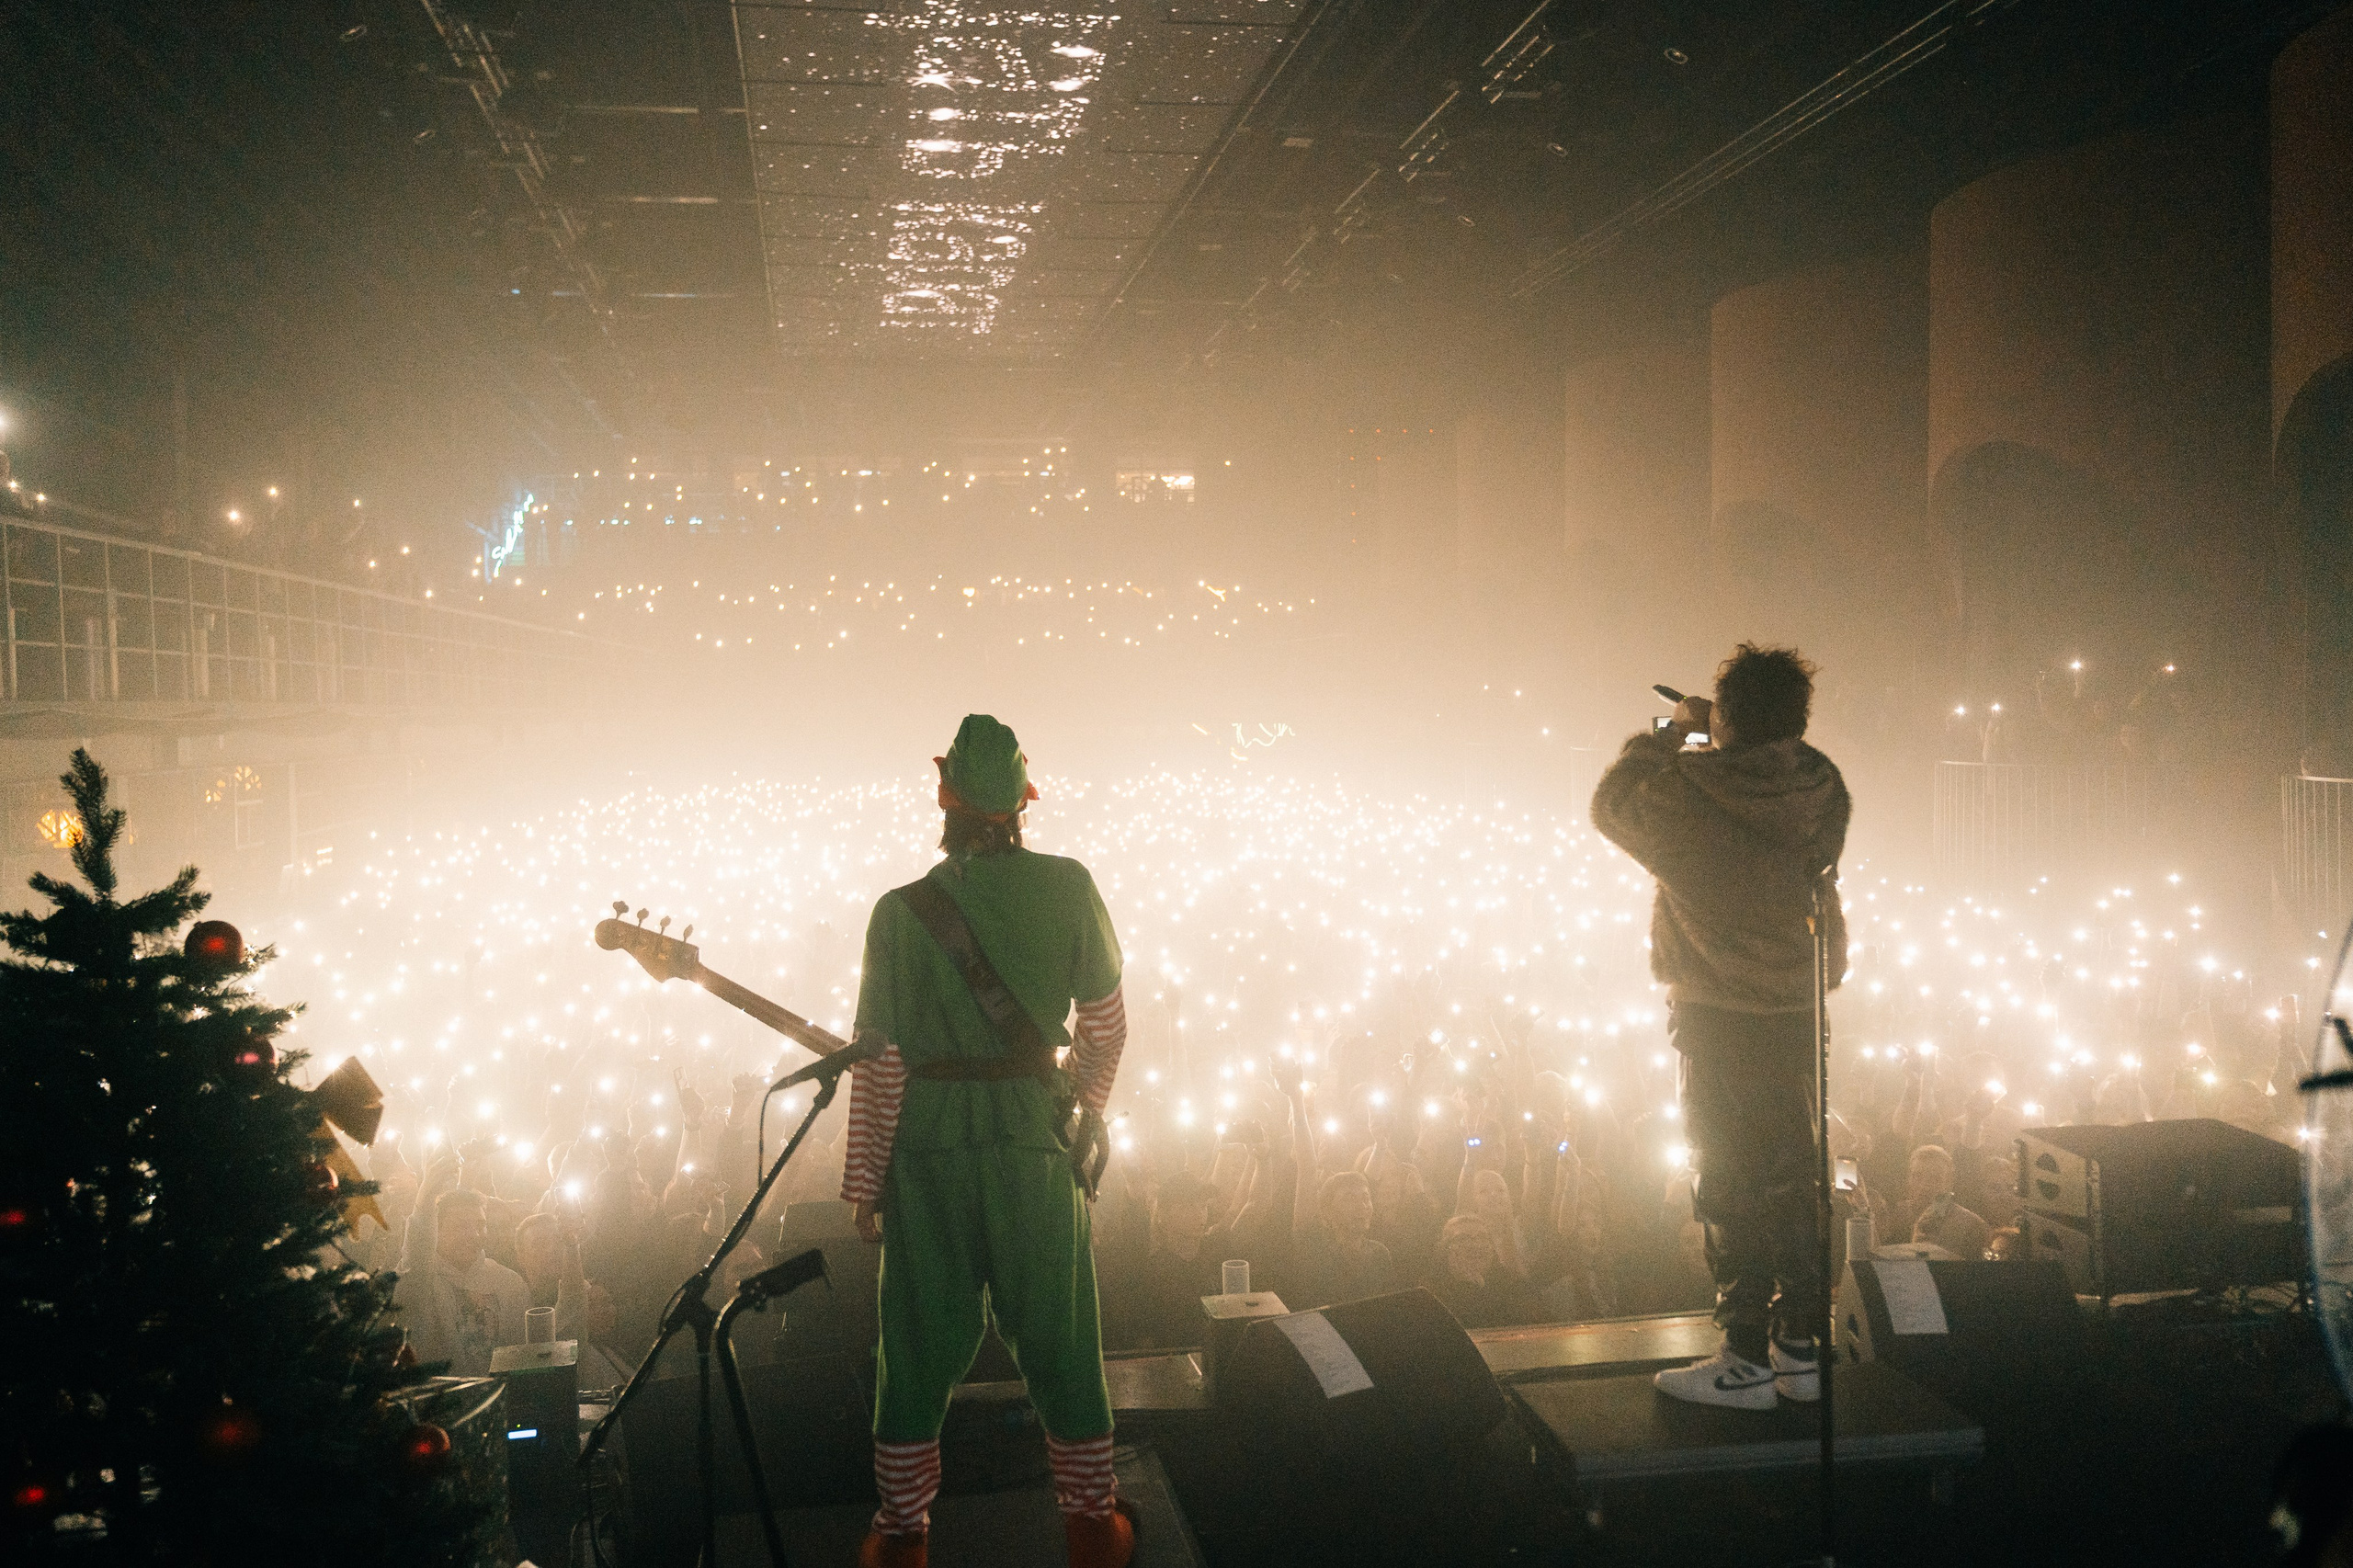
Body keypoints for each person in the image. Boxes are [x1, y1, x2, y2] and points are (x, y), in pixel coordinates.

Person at [839, 715, 1136, 1568]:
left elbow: (882, 1062)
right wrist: (1078, 1102)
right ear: (1023, 801)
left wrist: (865, 1184)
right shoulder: (1071, 886)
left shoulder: (898, 914)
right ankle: (1091, 1529)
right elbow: (1107, 1028)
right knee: (1064, 1342)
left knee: (915, 1351)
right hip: (1033, 1145)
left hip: (927, 1149)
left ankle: (902, 1537)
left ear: (944, 798)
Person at [1592, 643, 1851, 1410]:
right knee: (1798, 1177)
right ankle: (1801, 1346)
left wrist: (1672, 734)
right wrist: (1737, 738)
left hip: (1720, 1017)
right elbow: (1783, 772)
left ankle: (1742, 1356)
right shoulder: (1822, 786)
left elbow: (1613, 804)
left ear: (1727, 713)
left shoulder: (1689, 794)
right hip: (1800, 1008)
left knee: (1729, 1183)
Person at [394, 1158, 529, 1377]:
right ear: (436, 1230)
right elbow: (416, 1255)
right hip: (444, 1405)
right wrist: (426, 1196)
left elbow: (525, 1352)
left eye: (480, 1225)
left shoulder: (508, 1283)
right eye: (461, 1226)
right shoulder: (420, 1282)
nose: (474, 1235)